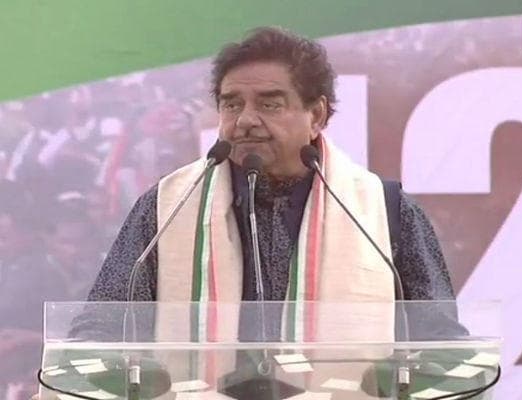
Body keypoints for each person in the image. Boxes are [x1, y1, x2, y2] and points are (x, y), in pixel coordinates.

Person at [82, 27, 459, 342]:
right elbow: (100, 331)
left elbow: (440, 344)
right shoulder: (168, 206)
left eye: (269, 104)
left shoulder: (383, 211)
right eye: (232, 104)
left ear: (316, 116)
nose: (245, 120)